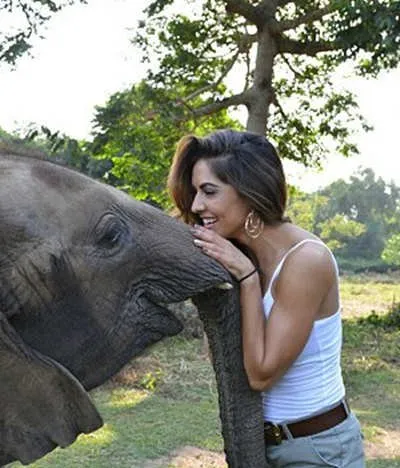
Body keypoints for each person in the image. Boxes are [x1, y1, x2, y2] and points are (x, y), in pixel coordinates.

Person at [167, 129, 365, 467]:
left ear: (250, 191)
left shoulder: (305, 260)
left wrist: (247, 280)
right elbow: (224, 357)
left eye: (209, 192)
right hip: (262, 448)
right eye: (196, 192)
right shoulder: (241, 257)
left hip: (318, 451)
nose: (197, 205)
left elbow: (260, 374)